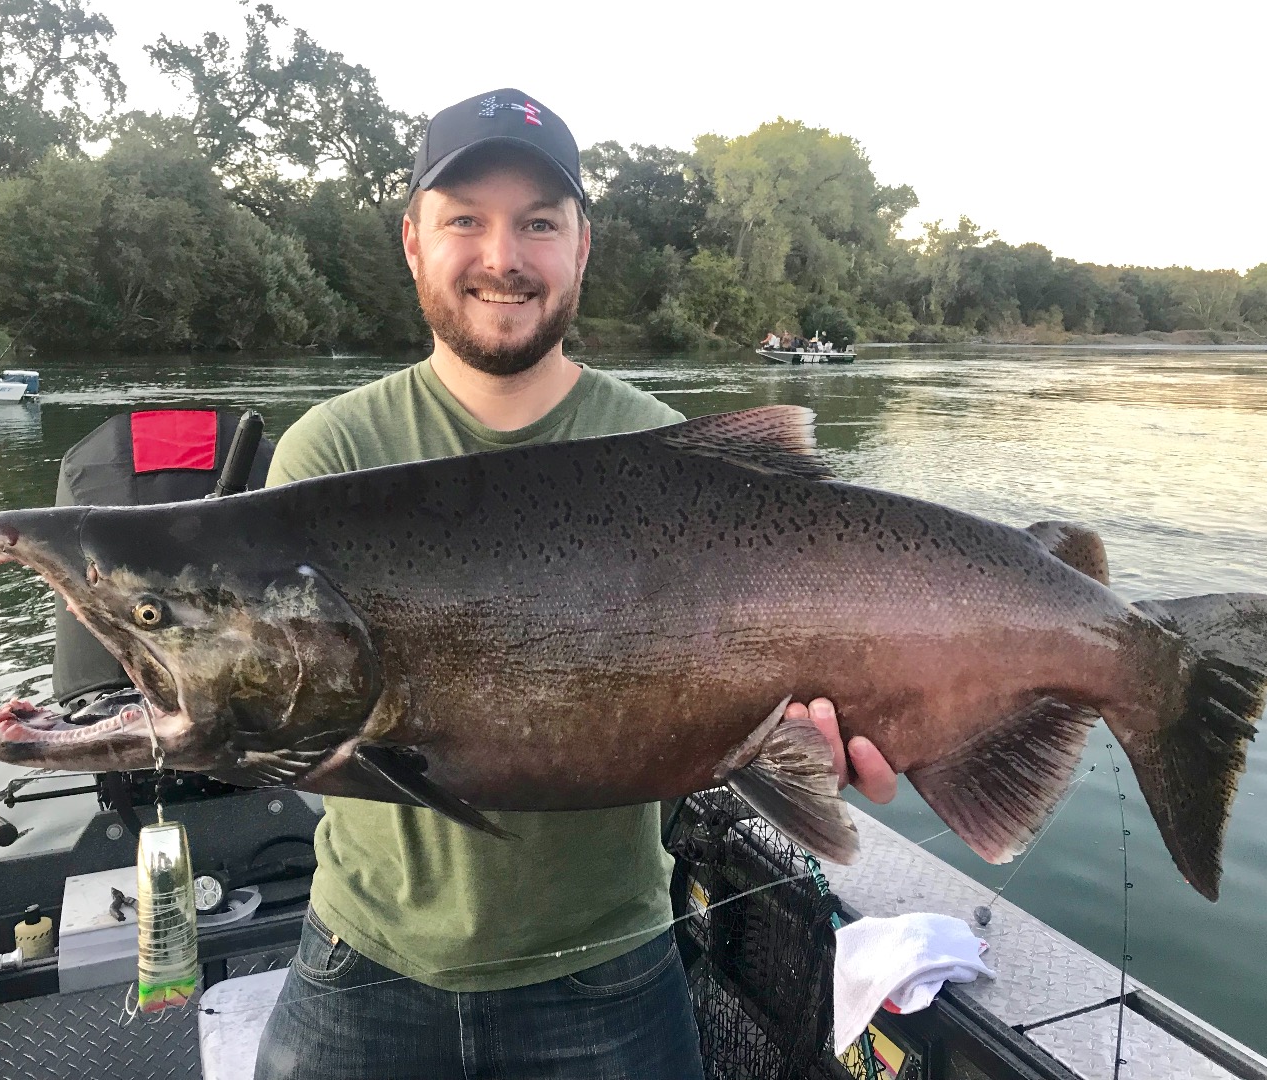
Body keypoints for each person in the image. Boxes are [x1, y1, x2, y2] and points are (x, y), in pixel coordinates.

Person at [253, 88, 898, 1080]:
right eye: (464, 219)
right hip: (363, 967)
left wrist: (804, 745)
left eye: (538, 223)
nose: (501, 254)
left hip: (610, 983)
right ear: (414, 243)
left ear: (582, 246)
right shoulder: (328, 456)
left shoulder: (665, 451)